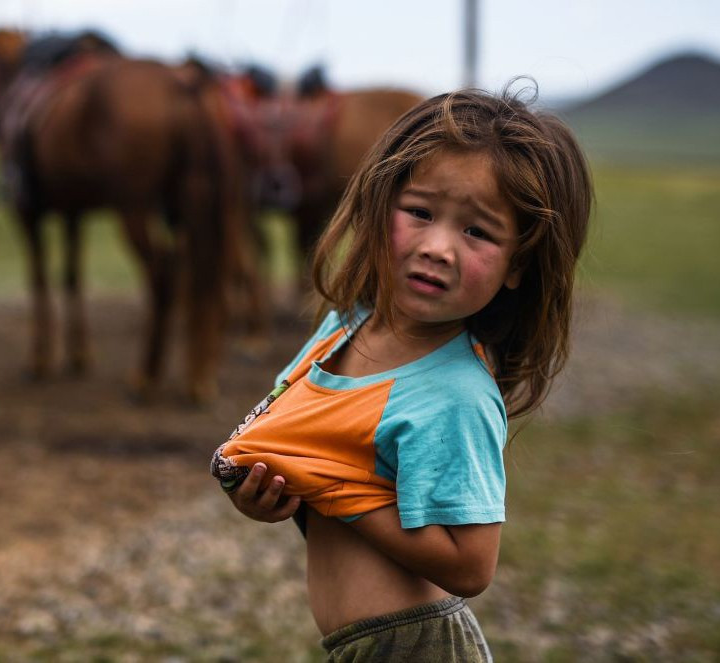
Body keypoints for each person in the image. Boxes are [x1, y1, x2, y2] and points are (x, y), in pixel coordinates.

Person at [211, 85, 592, 661]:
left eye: (478, 231)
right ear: (379, 204)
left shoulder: (455, 392)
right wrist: (262, 494)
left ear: (517, 265)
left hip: (417, 646)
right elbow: (291, 444)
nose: (438, 247)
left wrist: (341, 494)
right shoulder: (346, 325)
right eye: (419, 213)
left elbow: (472, 564)